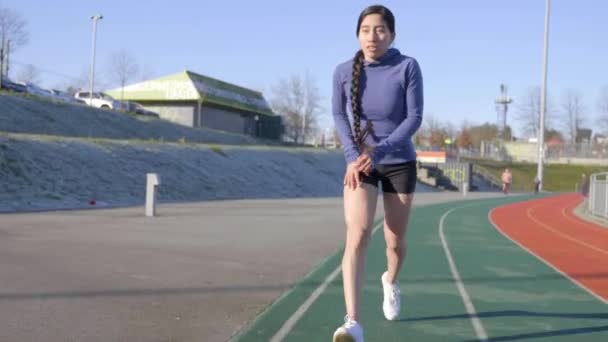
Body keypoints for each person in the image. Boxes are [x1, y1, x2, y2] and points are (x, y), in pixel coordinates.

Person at [330, 5, 423, 341]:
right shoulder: (343, 71)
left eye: (380, 29)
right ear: (358, 34)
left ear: (392, 35)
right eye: (366, 29)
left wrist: (378, 151)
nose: (373, 36)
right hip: (360, 165)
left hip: (398, 161)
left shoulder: (407, 67)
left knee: (395, 241)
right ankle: (353, 322)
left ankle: (391, 281)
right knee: (358, 234)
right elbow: (339, 117)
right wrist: (354, 157)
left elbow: (414, 118)